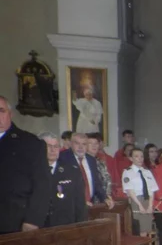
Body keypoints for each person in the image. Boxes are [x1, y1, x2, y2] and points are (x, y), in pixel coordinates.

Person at [0, 95, 52, 233]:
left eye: (1, 111)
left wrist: (33, 220)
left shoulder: (30, 143)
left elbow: (42, 185)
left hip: (15, 221)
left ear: (10, 114)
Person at [41, 131, 87, 227]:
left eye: (56, 146)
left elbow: (80, 203)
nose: (53, 150)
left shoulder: (71, 170)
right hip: (40, 225)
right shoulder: (32, 170)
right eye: (49, 146)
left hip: (65, 225)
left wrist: (81, 226)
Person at [59, 133, 111, 208]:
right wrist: (80, 201)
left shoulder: (91, 160)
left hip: (90, 206)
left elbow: (96, 183)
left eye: (84, 144)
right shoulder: (62, 158)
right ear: (71, 144)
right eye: (77, 143)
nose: (80, 147)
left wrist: (105, 198)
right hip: (70, 207)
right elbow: (62, 186)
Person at [122, 147, 158, 216]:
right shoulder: (127, 172)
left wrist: (150, 205)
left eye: (142, 156)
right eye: (136, 156)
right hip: (136, 200)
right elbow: (130, 191)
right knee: (139, 221)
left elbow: (152, 189)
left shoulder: (147, 171)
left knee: (148, 222)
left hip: (148, 200)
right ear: (131, 158)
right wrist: (139, 205)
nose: (140, 158)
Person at [86, 133, 116, 205]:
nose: (94, 146)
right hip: (89, 201)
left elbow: (107, 179)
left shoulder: (101, 162)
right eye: (90, 143)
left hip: (103, 200)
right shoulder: (83, 163)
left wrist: (107, 196)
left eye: (96, 143)